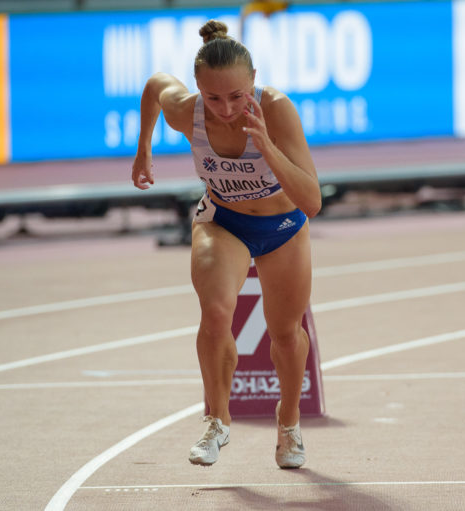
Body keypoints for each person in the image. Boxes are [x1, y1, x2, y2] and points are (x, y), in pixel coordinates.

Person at [131, 19, 321, 469]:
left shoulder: (276, 109)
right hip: (223, 221)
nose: (227, 109)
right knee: (216, 312)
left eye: (237, 96)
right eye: (213, 98)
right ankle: (217, 420)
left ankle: (288, 421)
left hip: (283, 227)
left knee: (285, 334)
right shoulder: (187, 111)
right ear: (198, 89)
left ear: (254, 80)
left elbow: (312, 201)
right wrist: (144, 148)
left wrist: (267, 146)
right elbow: (156, 85)